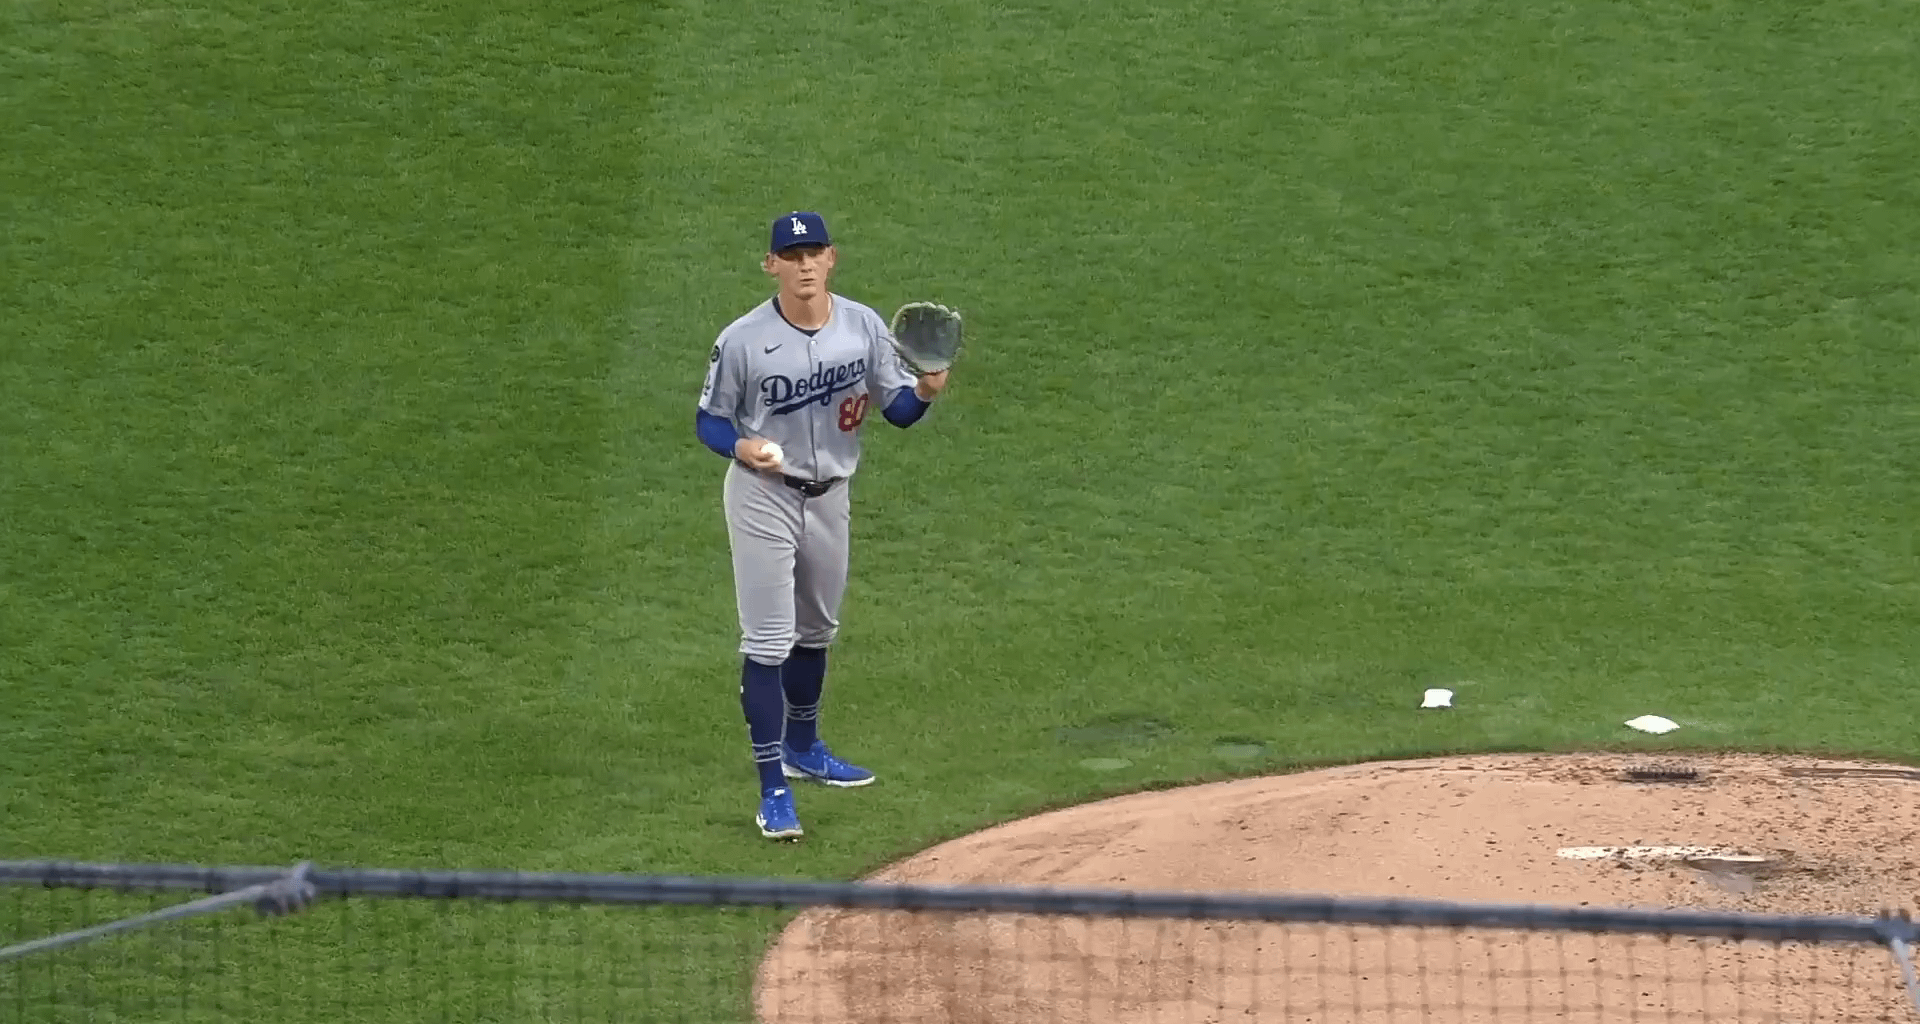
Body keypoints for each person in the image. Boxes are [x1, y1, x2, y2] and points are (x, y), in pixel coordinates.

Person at [694, 211, 952, 840]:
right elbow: (710, 419)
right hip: (763, 496)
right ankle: (772, 789)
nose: (804, 264)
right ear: (772, 265)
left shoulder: (863, 325)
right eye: (792, 254)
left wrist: (925, 392)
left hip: (831, 493)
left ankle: (803, 747)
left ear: (832, 258)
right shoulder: (743, 340)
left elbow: (896, 411)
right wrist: (741, 449)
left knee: (817, 630)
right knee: (768, 641)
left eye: (814, 252)